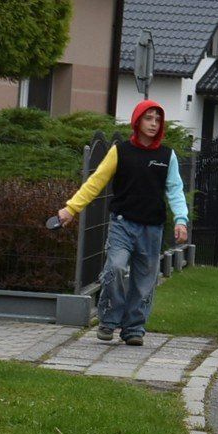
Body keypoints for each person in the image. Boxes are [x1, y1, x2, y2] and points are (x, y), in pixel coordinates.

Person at [56, 100, 189, 345]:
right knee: (115, 268)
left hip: (152, 228)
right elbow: (95, 182)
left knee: (144, 282)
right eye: (148, 118)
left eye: (157, 120)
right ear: (137, 121)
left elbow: (175, 190)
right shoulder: (120, 152)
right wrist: (71, 208)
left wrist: (181, 220)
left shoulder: (166, 156)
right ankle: (108, 321)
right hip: (122, 224)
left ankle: (134, 329)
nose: (153, 124)